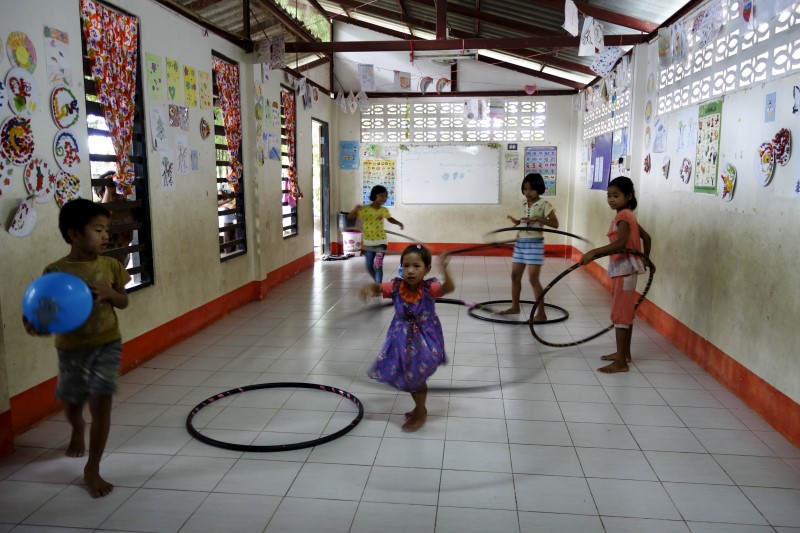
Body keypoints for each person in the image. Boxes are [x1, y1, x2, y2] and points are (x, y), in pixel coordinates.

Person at [23, 198, 131, 498]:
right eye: (98, 229)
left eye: (106, 229)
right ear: (74, 234)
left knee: (102, 404)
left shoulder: (112, 265)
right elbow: (39, 309)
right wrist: (34, 323)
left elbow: (124, 301)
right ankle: (76, 427)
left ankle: (92, 468)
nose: (106, 235)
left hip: (106, 344)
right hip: (71, 350)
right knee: (72, 404)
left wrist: (111, 293)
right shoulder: (55, 271)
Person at [360, 244, 454, 431]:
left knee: (416, 376)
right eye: (406, 265)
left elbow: (448, 289)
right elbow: (378, 288)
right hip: (400, 339)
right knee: (408, 374)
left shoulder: (430, 288)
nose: (410, 271)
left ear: (427, 269)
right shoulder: (395, 286)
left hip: (425, 339)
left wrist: (445, 268)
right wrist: (370, 287)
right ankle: (420, 408)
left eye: (416, 266)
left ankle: (420, 411)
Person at [580, 176, 654, 374]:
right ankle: (624, 354)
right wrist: (645, 259)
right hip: (625, 269)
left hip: (624, 270)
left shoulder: (623, 216)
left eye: (616, 195)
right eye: (609, 195)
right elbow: (646, 237)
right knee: (624, 313)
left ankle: (621, 362)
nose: (611, 199)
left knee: (620, 314)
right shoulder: (627, 214)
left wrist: (594, 252)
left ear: (628, 196)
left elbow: (621, 243)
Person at [499, 173, 559, 322]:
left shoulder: (545, 205)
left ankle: (541, 314)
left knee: (533, 279)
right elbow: (527, 220)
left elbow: (555, 224)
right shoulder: (524, 204)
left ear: (539, 189)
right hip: (521, 243)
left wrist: (539, 218)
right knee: (514, 276)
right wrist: (518, 221)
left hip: (534, 244)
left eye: (531, 189)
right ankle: (515, 307)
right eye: (525, 189)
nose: (527, 192)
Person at [348, 185, 404, 283]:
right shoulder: (365, 209)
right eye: (381, 195)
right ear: (374, 195)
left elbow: (389, 218)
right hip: (369, 243)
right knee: (369, 266)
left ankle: (378, 285)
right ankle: (377, 282)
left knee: (378, 265)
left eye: (386, 196)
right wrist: (355, 209)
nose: (384, 198)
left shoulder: (384, 210)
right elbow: (350, 217)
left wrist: (398, 223)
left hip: (381, 242)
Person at [94, 171, 134, 266]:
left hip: (121, 263)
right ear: (101, 194)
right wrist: (109, 189)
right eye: (114, 191)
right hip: (100, 265)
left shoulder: (131, 207)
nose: (120, 193)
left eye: (121, 188)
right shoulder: (96, 210)